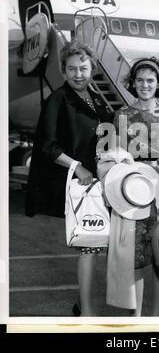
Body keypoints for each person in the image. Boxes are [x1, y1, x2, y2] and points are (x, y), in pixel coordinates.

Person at [25, 39, 113, 316]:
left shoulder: (97, 99)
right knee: (89, 247)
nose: (78, 74)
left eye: (83, 68)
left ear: (92, 69)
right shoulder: (58, 98)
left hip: (103, 182)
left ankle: (82, 303)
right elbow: (47, 145)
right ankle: (86, 313)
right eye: (72, 69)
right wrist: (77, 167)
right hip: (81, 183)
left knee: (104, 246)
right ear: (64, 71)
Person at [97, 57, 159, 316]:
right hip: (133, 191)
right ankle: (138, 317)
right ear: (133, 83)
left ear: (158, 83)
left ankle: (155, 317)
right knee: (136, 259)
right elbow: (118, 157)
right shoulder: (122, 115)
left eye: (150, 80)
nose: (145, 85)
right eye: (140, 80)